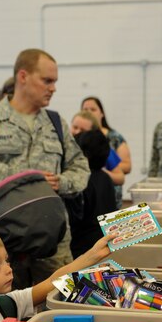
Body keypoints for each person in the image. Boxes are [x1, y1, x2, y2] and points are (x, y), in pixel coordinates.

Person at [0, 48, 90, 286]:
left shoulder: (55, 122)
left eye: (55, 82)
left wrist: (60, 182)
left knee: (58, 302)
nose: (53, 88)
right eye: (47, 80)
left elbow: (81, 168)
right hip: (2, 241)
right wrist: (26, 180)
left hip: (53, 240)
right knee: (4, 310)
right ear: (23, 77)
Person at [69, 129, 117, 258]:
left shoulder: (81, 181)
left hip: (82, 252)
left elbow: (73, 221)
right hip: (104, 247)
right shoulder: (106, 178)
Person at [81, 97, 131, 208]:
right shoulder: (75, 142)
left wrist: (101, 170)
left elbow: (125, 168)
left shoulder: (111, 140)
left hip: (108, 197)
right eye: (85, 110)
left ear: (102, 113)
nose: (89, 113)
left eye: (93, 109)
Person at [70, 110, 125, 188]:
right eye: (75, 127)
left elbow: (120, 178)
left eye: (83, 130)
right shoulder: (63, 148)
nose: (77, 132)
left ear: (93, 133)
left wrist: (100, 173)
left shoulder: (103, 152)